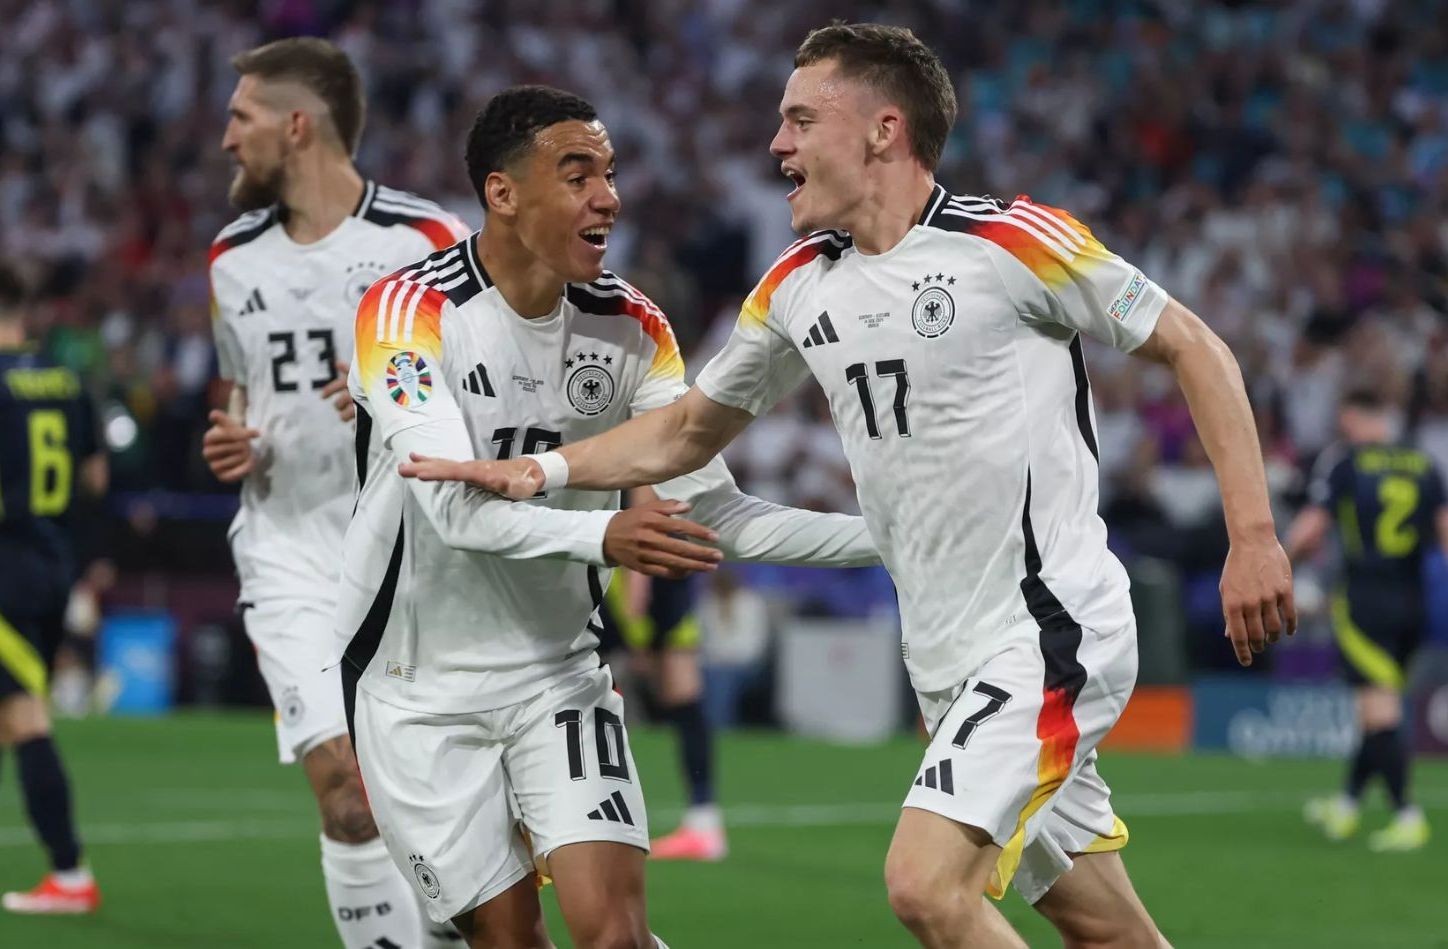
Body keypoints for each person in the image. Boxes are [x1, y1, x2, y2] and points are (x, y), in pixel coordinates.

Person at [405, 24, 1298, 949]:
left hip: (1047, 629)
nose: (776, 144)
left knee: (925, 887)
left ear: (882, 130)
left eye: (800, 120)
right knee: (1104, 927)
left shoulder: (1008, 242)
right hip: (944, 657)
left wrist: (1253, 534)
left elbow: (1195, 346)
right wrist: (540, 470)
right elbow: (684, 432)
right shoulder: (797, 284)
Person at [338, 84, 878, 949]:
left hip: (557, 674)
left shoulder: (631, 326)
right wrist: (603, 536)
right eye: (577, 174)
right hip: (417, 685)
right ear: (502, 192)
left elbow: (714, 512)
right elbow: (452, 511)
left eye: (610, 173)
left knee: (617, 935)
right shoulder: (408, 313)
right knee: (508, 939)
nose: (608, 198)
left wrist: (892, 540)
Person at [201, 37, 471, 949]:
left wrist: (396, 388)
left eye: (241, 118)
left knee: (432, 805)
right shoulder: (231, 257)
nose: (227, 139)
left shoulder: (426, 242)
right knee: (348, 795)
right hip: (288, 549)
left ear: (296, 126)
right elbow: (241, 391)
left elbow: (502, 381)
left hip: (411, 554)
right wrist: (234, 434)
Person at [1288, 389, 1446, 851]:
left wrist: (1279, 565)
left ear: (1354, 416)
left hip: (1364, 602)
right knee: (1374, 708)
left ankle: (1407, 815)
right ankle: (1348, 805)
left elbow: (1311, 530)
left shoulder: (1346, 462)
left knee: (1379, 711)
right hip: (1414, 603)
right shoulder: (1424, 463)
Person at [0, 261, 106, 914]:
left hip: (4, 567)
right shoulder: (66, 379)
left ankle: (68, 873)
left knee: (24, 716)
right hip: (51, 562)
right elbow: (95, 478)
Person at [597, 489, 724, 861]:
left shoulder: (637, 475)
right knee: (682, 705)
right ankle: (703, 819)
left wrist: (639, 629)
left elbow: (646, 528)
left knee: (590, 702)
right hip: (654, 586)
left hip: (640, 586)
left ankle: (699, 824)